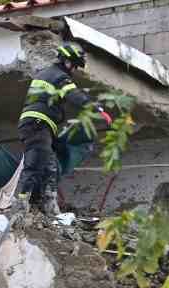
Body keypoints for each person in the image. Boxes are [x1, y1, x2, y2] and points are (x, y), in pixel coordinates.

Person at [14, 43, 112, 216]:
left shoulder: (46, 73)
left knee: (50, 166)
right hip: (37, 124)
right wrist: (98, 110)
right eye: (74, 65)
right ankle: (22, 204)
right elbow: (75, 95)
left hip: (38, 125)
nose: (74, 70)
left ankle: (47, 207)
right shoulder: (58, 77)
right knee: (37, 161)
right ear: (67, 61)